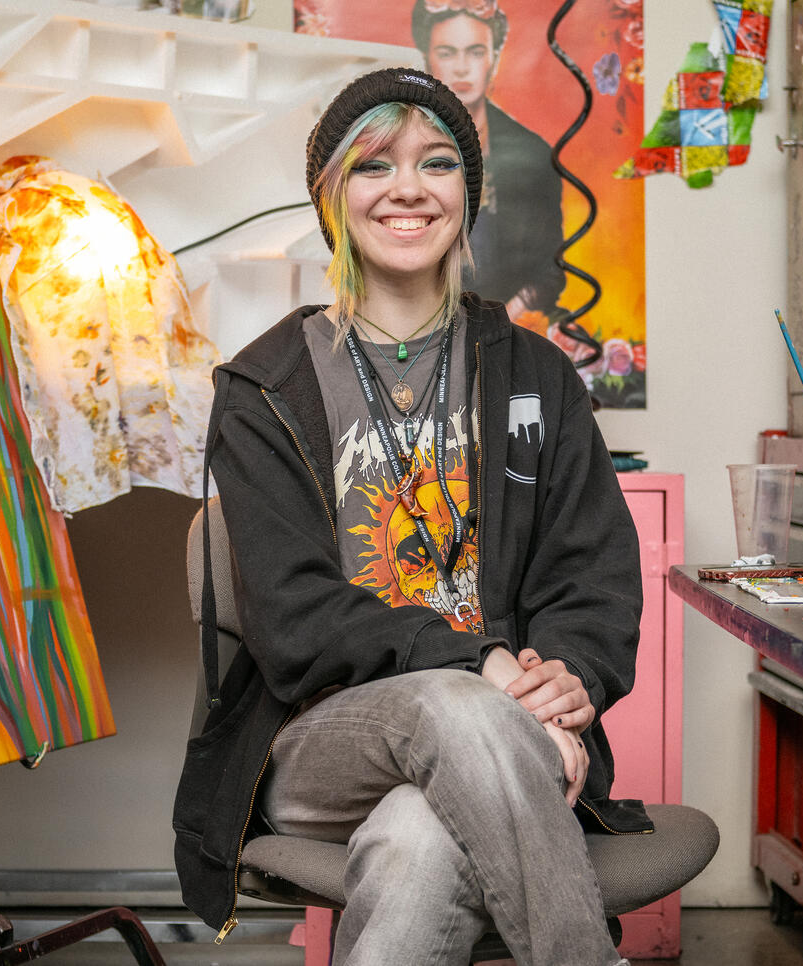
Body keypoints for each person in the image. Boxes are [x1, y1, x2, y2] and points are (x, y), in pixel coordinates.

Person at [172, 68, 650, 965]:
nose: (407, 189)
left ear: (464, 197)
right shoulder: (264, 389)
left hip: (514, 730)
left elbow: (591, 574)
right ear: (331, 197)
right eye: (372, 167)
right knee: (451, 705)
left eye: (436, 163)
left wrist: (566, 689)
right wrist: (492, 680)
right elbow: (292, 616)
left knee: (416, 842)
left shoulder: (536, 377)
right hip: (320, 739)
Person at [412, 0, 567, 322]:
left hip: (504, 333)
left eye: (475, 52)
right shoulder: (398, 148)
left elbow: (549, 271)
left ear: (493, 59)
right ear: (426, 57)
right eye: (447, 52)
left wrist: (503, 322)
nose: (462, 67)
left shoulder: (534, 154)